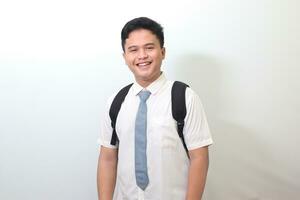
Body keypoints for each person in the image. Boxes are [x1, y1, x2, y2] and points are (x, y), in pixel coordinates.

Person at [97, 17, 213, 200]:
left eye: (149, 47)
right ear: (125, 57)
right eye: (133, 50)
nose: (142, 55)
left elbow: (199, 158)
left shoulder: (184, 97)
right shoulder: (116, 102)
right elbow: (107, 159)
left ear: (163, 52)